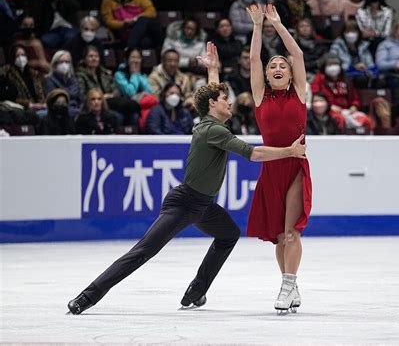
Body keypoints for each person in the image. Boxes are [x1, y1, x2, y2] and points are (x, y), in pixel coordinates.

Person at [67, 41, 307, 315]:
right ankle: (87, 296)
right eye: (224, 100)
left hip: (204, 205)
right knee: (144, 251)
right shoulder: (212, 130)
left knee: (229, 234)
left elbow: (212, 96)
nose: (229, 102)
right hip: (184, 203)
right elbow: (253, 154)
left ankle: (196, 290)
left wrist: (213, 70)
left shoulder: (213, 120)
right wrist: (289, 151)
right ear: (214, 106)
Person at [246, 3, 312, 312]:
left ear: (288, 73)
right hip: (272, 169)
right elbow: (253, 59)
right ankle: (291, 285)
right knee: (277, 237)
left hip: (296, 166)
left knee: (290, 232)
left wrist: (278, 24)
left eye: (281, 65)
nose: (277, 67)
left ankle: (286, 288)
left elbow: (297, 55)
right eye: (273, 65)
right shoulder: (260, 96)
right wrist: (258, 27)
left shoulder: (299, 91)